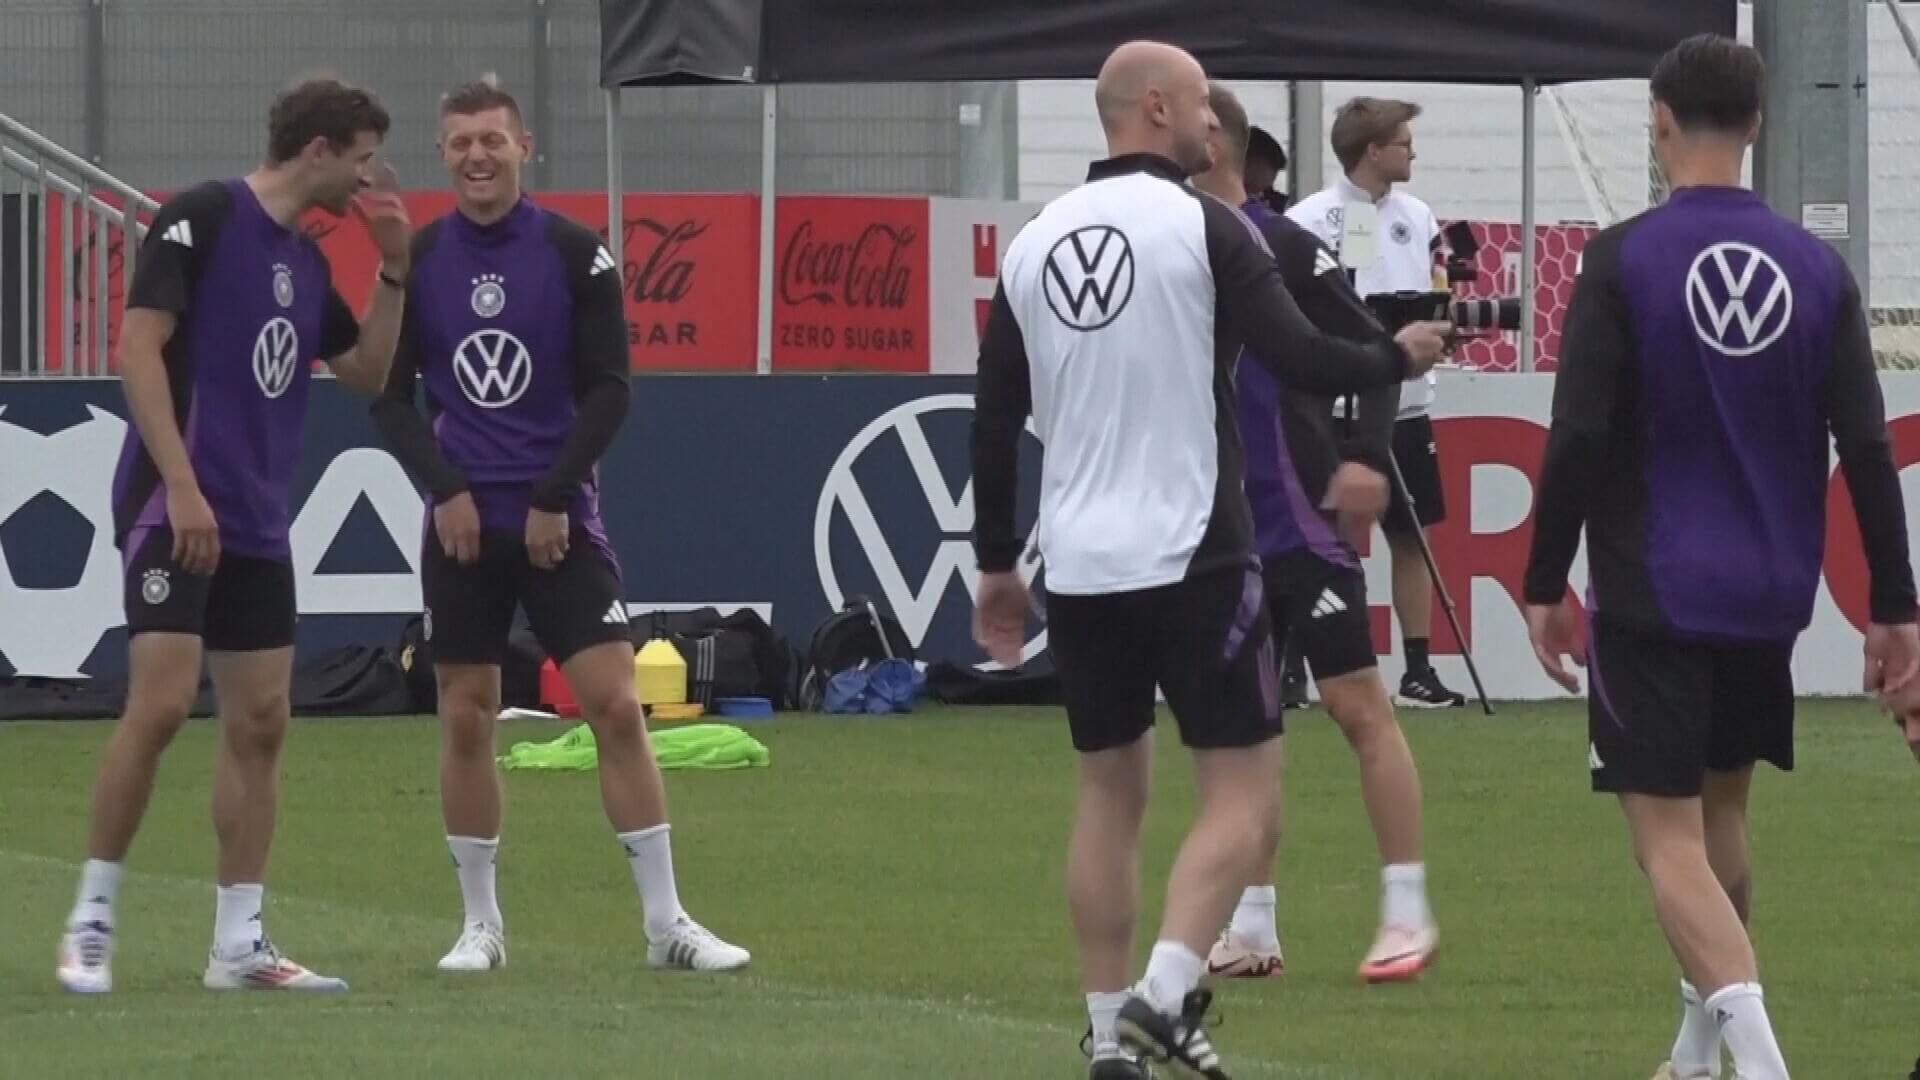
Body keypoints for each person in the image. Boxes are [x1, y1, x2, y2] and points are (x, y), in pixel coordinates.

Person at [970, 41, 1449, 1080]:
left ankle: (1110, 1036)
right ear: (1157, 108)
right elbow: (1302, 356)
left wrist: (996, 561)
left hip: (1081, 564)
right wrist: (1392, 356)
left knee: (1108, 799)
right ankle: (1161, 991)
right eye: (1200, 109)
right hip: (1195, 548)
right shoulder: (1206, 226)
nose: (1212, 129)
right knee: (1244, 796)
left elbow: (994, 412)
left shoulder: (1033, 241)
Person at [1521, 34, 1919, 1080]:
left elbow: (1579, 435)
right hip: (1768, 590)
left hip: (1654, 586)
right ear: (1759, 125)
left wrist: (1539, 580)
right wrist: (1895, 603)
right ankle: (1698, 1052)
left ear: (1659, 120)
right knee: (1722, 813)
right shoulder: (1818, 268)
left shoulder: (1622, 259)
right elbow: (1869, 447)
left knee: (1666, 840)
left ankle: (1760, 1060)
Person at [369, 77, 749, 976]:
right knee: (466, 717)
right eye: (460, 141)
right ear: (443, 153)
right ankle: (480, 927)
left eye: (492, 139)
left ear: (524, 146)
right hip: (462, 530)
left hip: (559, 523)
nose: (476, 155)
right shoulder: (420, 261)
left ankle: (666, 926)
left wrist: (553, 494)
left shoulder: (578, 254)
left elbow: (611, 388)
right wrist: (445, 490)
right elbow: (387, 402)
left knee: (617, 705)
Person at [56, 77, 412, 994]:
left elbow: (368, 372)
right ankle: (91, 919)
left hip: (257, 518)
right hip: (172, 503)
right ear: (320, 149)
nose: (370, 178)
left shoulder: (308, 257)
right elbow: (137, 350)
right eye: (364, 158)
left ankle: (239, 946)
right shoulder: (200, 219)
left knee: (261, 722)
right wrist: (180, 486)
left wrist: (397, 268)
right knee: (166, 703)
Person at [1192, 82, 1440, 987]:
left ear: (1212, 136)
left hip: (1295, 511)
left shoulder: (1282, 241)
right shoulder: (1165, 239)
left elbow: (1375, 348)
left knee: (1355, 704)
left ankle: (1406, 910)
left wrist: (1368, 454)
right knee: (1239, 733)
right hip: (1214, 531)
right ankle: (1252, 930)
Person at [1287, 96, 1467, 710]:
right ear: (1370, 150)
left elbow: (1432, 291)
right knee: (1308, 532)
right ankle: (1292, 667)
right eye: (1401, 143)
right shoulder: (1310, 217)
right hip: (1327, 405)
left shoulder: (1416, 214)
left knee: (1411, 534)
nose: (1412, 152)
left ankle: (1417, 668)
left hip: (1406, 403)